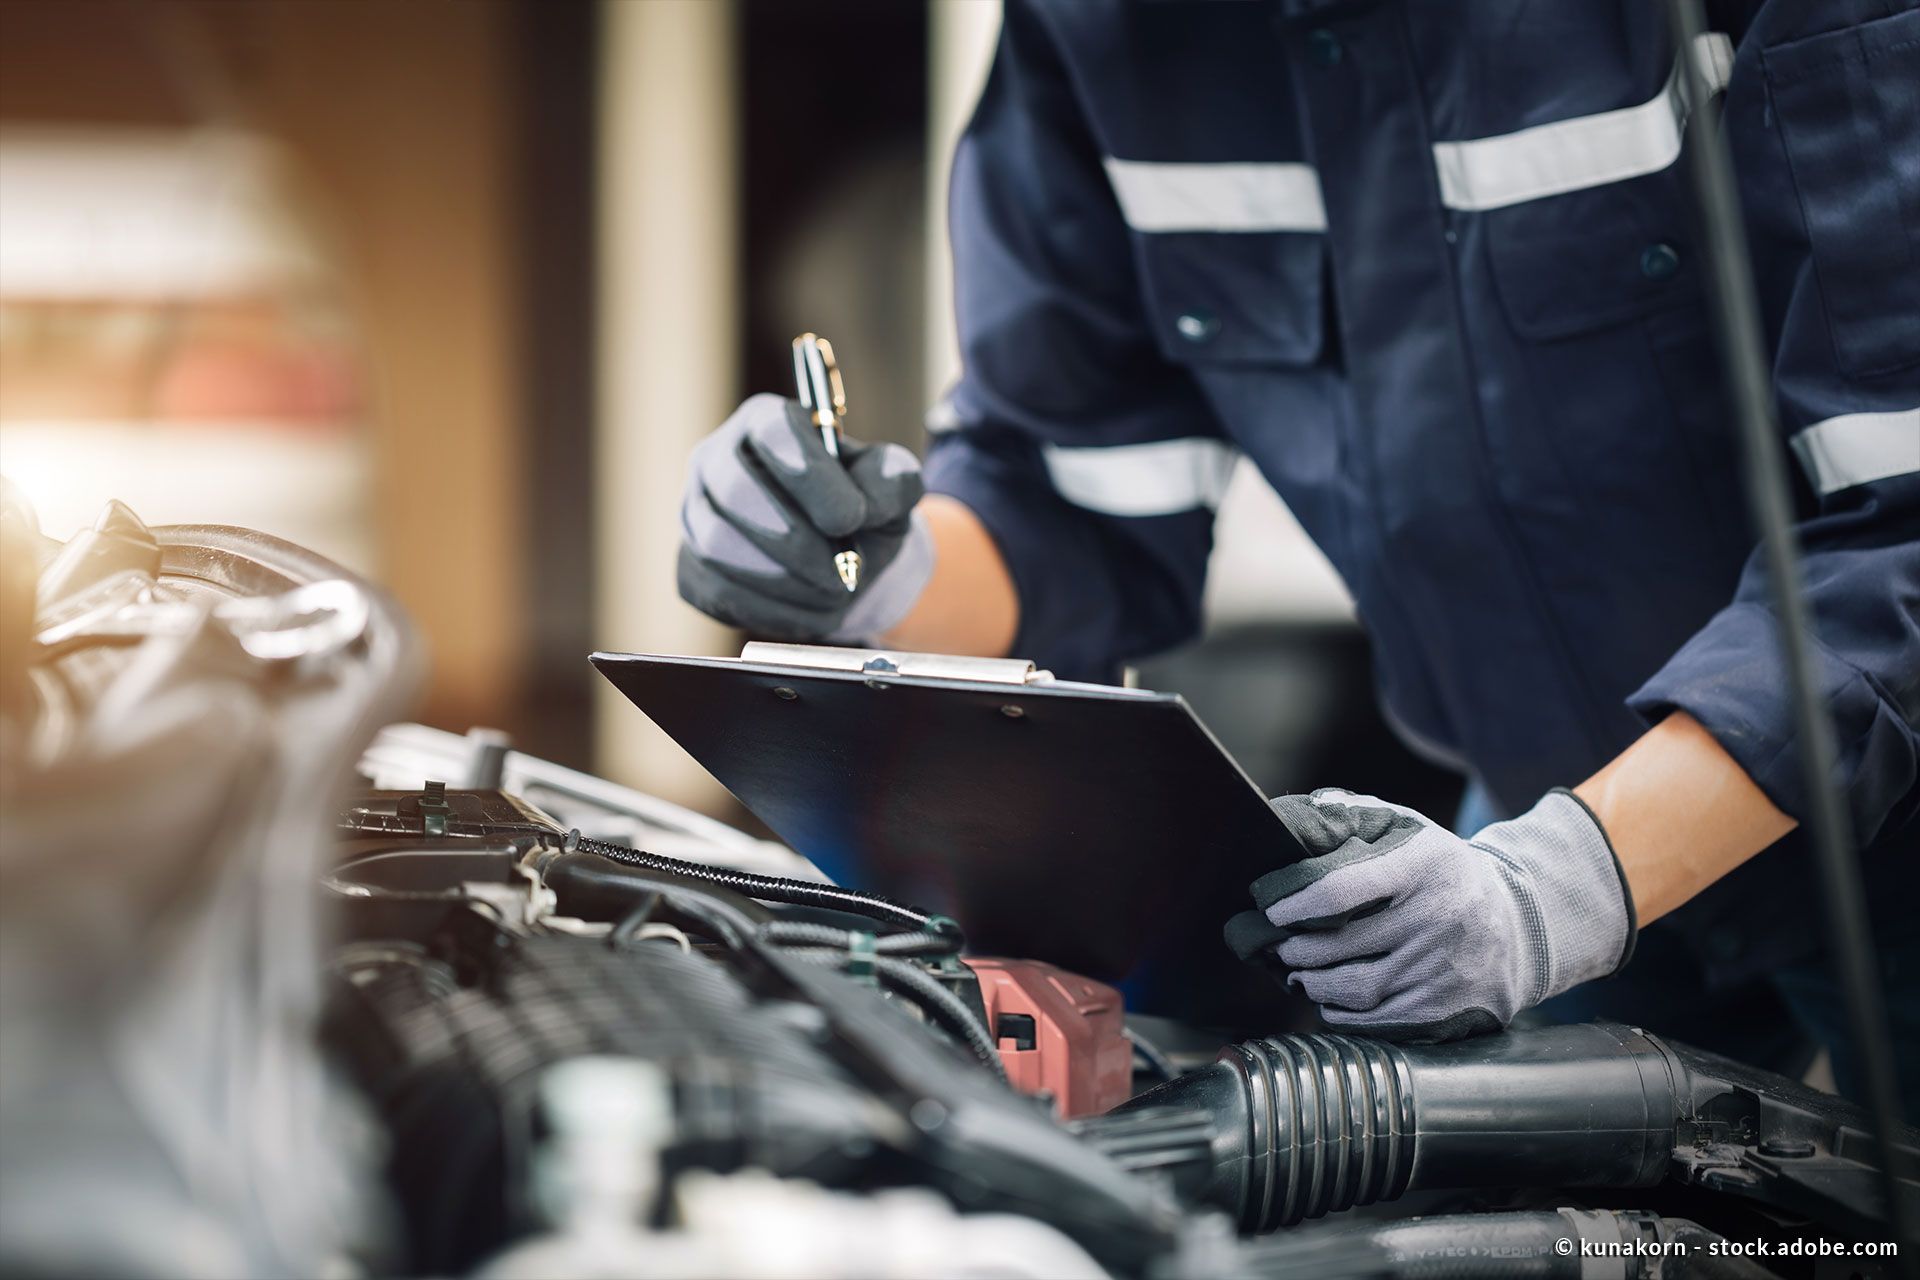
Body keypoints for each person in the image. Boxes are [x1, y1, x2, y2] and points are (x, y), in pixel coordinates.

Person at [676, 2, 1920, 1098]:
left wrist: (1564, 885)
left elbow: (1902, 536)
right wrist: (860, 575)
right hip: (1535, 812)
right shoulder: (1097, 35)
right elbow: (1062, 503)